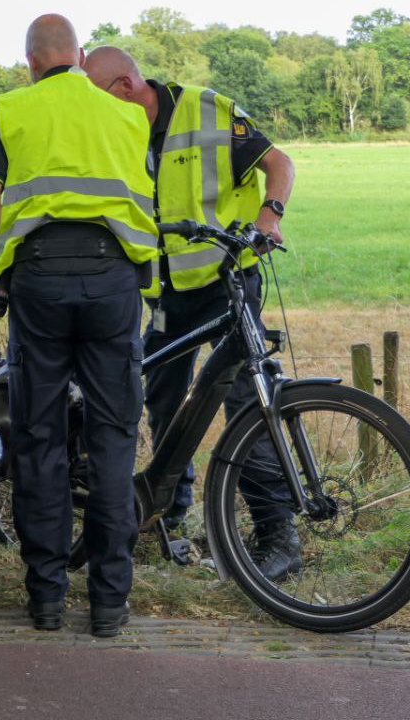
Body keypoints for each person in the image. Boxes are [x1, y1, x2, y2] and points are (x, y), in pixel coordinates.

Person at [81, 46, 303, 582]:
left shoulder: (206, 110)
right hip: (166, 293)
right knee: (161, 398)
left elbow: (279, 163)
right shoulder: (116, 128)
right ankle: (166, 515)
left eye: (99, 99)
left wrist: (270, 216)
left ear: (126, 87)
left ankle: (277, 535)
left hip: (229, 281)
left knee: (248, 401)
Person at [0, 15, 160, 638]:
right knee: (112, 439)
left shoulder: (11, 109)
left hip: (40, 284)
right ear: (79, 57)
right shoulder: (127, 115)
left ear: (30, 64)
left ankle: (46, 596)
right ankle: (109, 602)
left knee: (41, 439)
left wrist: (24, 248)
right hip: (111, 284)